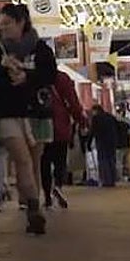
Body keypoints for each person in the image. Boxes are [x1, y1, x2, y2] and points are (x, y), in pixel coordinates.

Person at [0, 3, 57, 235]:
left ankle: (32, 202)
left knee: (34, 162)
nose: (3, 29)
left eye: (8, 24)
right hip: (7, 112)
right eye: (0, 25)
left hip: (35, 111)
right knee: (22, 159)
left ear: (21, 22)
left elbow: (50, 74)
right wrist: (4, 72)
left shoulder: (39, 48)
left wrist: (27, 76)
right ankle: (33, 209)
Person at [42, 68, 85, 209]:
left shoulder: (36, 76)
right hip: (60, 126)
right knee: (60, 161)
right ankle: (58, 186)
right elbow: (73, 102)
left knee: (44, 163)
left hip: (42, 126)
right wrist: (82, 120)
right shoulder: (62, 78)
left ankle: (47, 196)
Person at [90, 105, 118, 188]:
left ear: (96, 110)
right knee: (111, 160)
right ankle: (112, 180)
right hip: (112, 141)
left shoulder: (96, 118)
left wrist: (89, 143)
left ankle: (106, 180)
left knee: (103, 161)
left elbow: (92, 131)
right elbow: (117, 127)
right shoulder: (110, 117)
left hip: (102, 141)